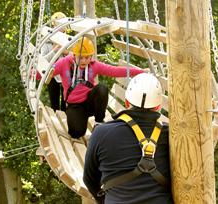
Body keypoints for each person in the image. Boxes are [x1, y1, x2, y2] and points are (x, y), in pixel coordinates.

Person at [83, 73, 173, 204]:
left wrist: (104, 199)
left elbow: (89, 178)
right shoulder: (170, 135)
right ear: (158, 106)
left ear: (126, 102)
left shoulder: (101, 133)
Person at [52, 36, 144, 139]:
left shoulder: (93, 65)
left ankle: (98, 123)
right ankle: (80, 120)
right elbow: (45, 73)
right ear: (74, 55)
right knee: (76, 133)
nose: (84, 61)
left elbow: (114, 71)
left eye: (87, 57)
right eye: (80, 57)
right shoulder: (63, 63)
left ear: (91, 56)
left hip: (90, 102)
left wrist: (140, 72)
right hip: (75, 106)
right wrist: (33, 73)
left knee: (102, 89)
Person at [41, 12, 68, 111]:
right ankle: (56, 121)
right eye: (59, 25)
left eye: (63, 25)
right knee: (54, 103)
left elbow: (76, 58)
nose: (62, 28)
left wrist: (66, 52)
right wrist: (54, 50)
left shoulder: (68, 39)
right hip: (52, 74)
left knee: (66, 103)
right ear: (54, 26)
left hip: (66, 74)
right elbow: (43, 60)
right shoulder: (46, 41)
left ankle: (66, 123)